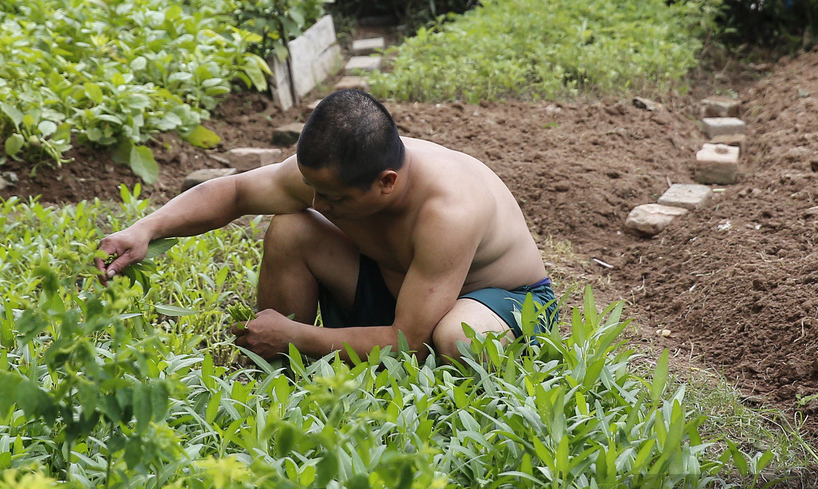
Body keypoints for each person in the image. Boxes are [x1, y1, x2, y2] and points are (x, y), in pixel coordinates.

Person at [96, 89, 557, 361]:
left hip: (498, 300)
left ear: (386, 182)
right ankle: (276, 369)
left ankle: (301, 346)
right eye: (315, 188)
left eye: (334, 198)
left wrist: (298, 334)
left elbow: (408, 341)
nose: (318, 203)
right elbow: (235, 193)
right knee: (292, 228)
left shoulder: (449, 210)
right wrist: (146, 229)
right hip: (400, 290)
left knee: (453, 340)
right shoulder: (336, 175)